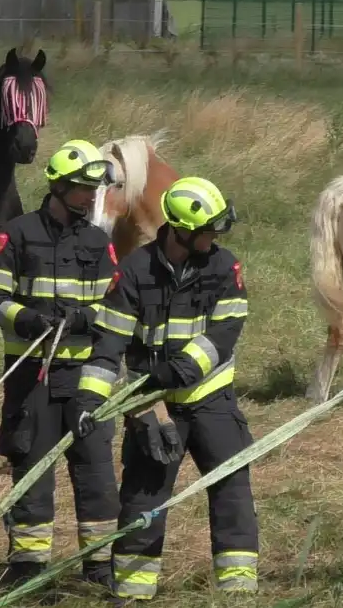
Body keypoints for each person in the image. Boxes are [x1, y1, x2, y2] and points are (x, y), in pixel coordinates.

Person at [75, 177, 258, 602]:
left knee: (232, 493)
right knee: (143, 499)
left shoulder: (223, 266)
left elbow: (226, 330)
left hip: (212, 401)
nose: (215, 238)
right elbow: (109, 342)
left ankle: (237, 592)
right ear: (181, 230)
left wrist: (176, 370)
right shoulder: (135, 271)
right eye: (208, 230)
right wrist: (89, 400)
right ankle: (134, 592)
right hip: (152, 405)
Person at [0, 139, 121, 589]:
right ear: (57, 187)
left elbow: (114, 308)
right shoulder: (15, 235)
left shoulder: (99, 243)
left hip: (84, 378)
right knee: (32, 471)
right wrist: (28, 319)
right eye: (82, 188)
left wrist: (85, 317)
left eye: (94, 189)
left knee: (96, 472)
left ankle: (97, 568)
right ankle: (28, 570)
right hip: (31, 375)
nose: (89, 197)